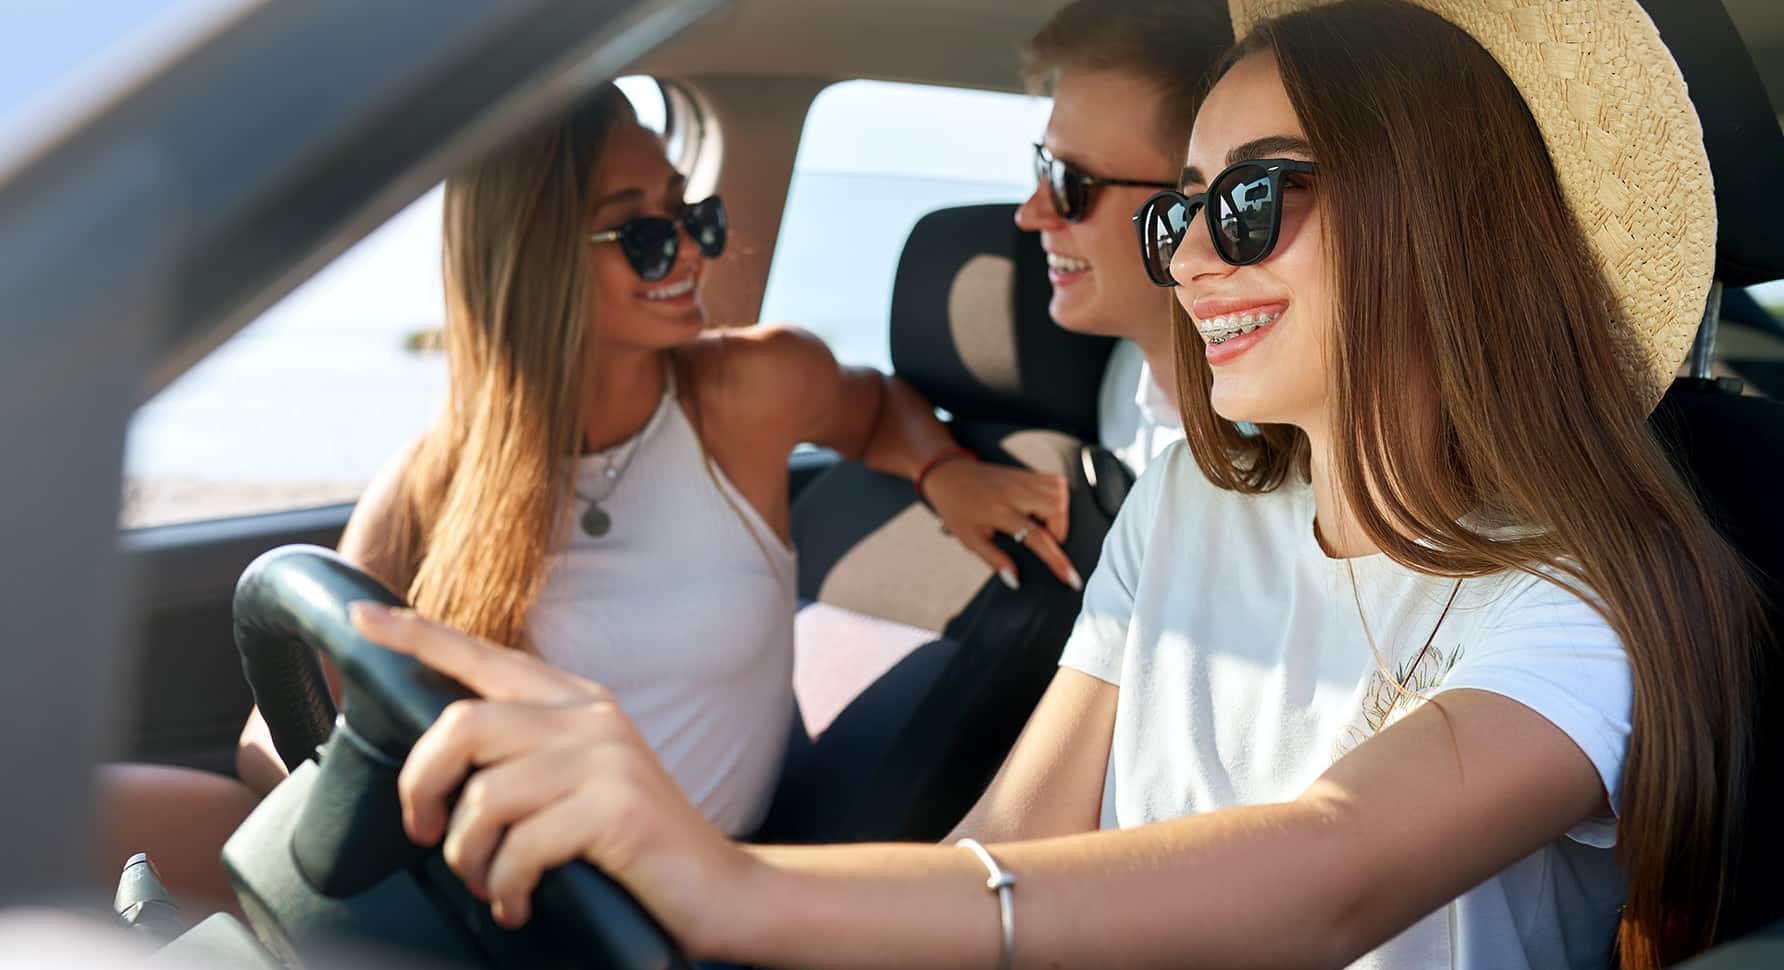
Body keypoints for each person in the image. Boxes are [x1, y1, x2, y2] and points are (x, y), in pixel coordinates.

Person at [355, 0, 1762, 970]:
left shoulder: (1573, 603)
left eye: (1252, 201)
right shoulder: (1194, 505)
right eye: (1185, 210)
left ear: (1438, 218)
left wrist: (727, 890)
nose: (1193, 255)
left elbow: (1324, 880)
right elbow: (1010, 838)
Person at [104, 83, 1078, 912]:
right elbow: (269, 735)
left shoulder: (747, 389)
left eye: (691, 216)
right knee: (77, 820)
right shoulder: (439, 474)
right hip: (468, 886)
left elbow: (871, 410)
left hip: (645, 931)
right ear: (536, 262)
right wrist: (369, 833)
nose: (693, 255)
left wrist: (944, 470)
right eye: (647, 235)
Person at [1014, 0, 1233, 476]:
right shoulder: (1126, 379)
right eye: (1044, 167)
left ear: (1197, 203)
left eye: (1071, 183)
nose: (1030, 215)